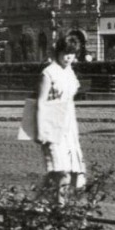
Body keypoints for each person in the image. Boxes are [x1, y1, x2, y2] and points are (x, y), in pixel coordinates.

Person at [34, 34, 86, 204]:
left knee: (69, 172)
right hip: (52, 125)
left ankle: (41, 203)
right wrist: (40, 130)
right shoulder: (48, 73)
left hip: (69, 126)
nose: (69, 57)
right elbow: (40, 102)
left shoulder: (69, 72)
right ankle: (59, 209)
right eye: (65, 53)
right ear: (58, 52)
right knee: (60, 170)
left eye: (72, 54)